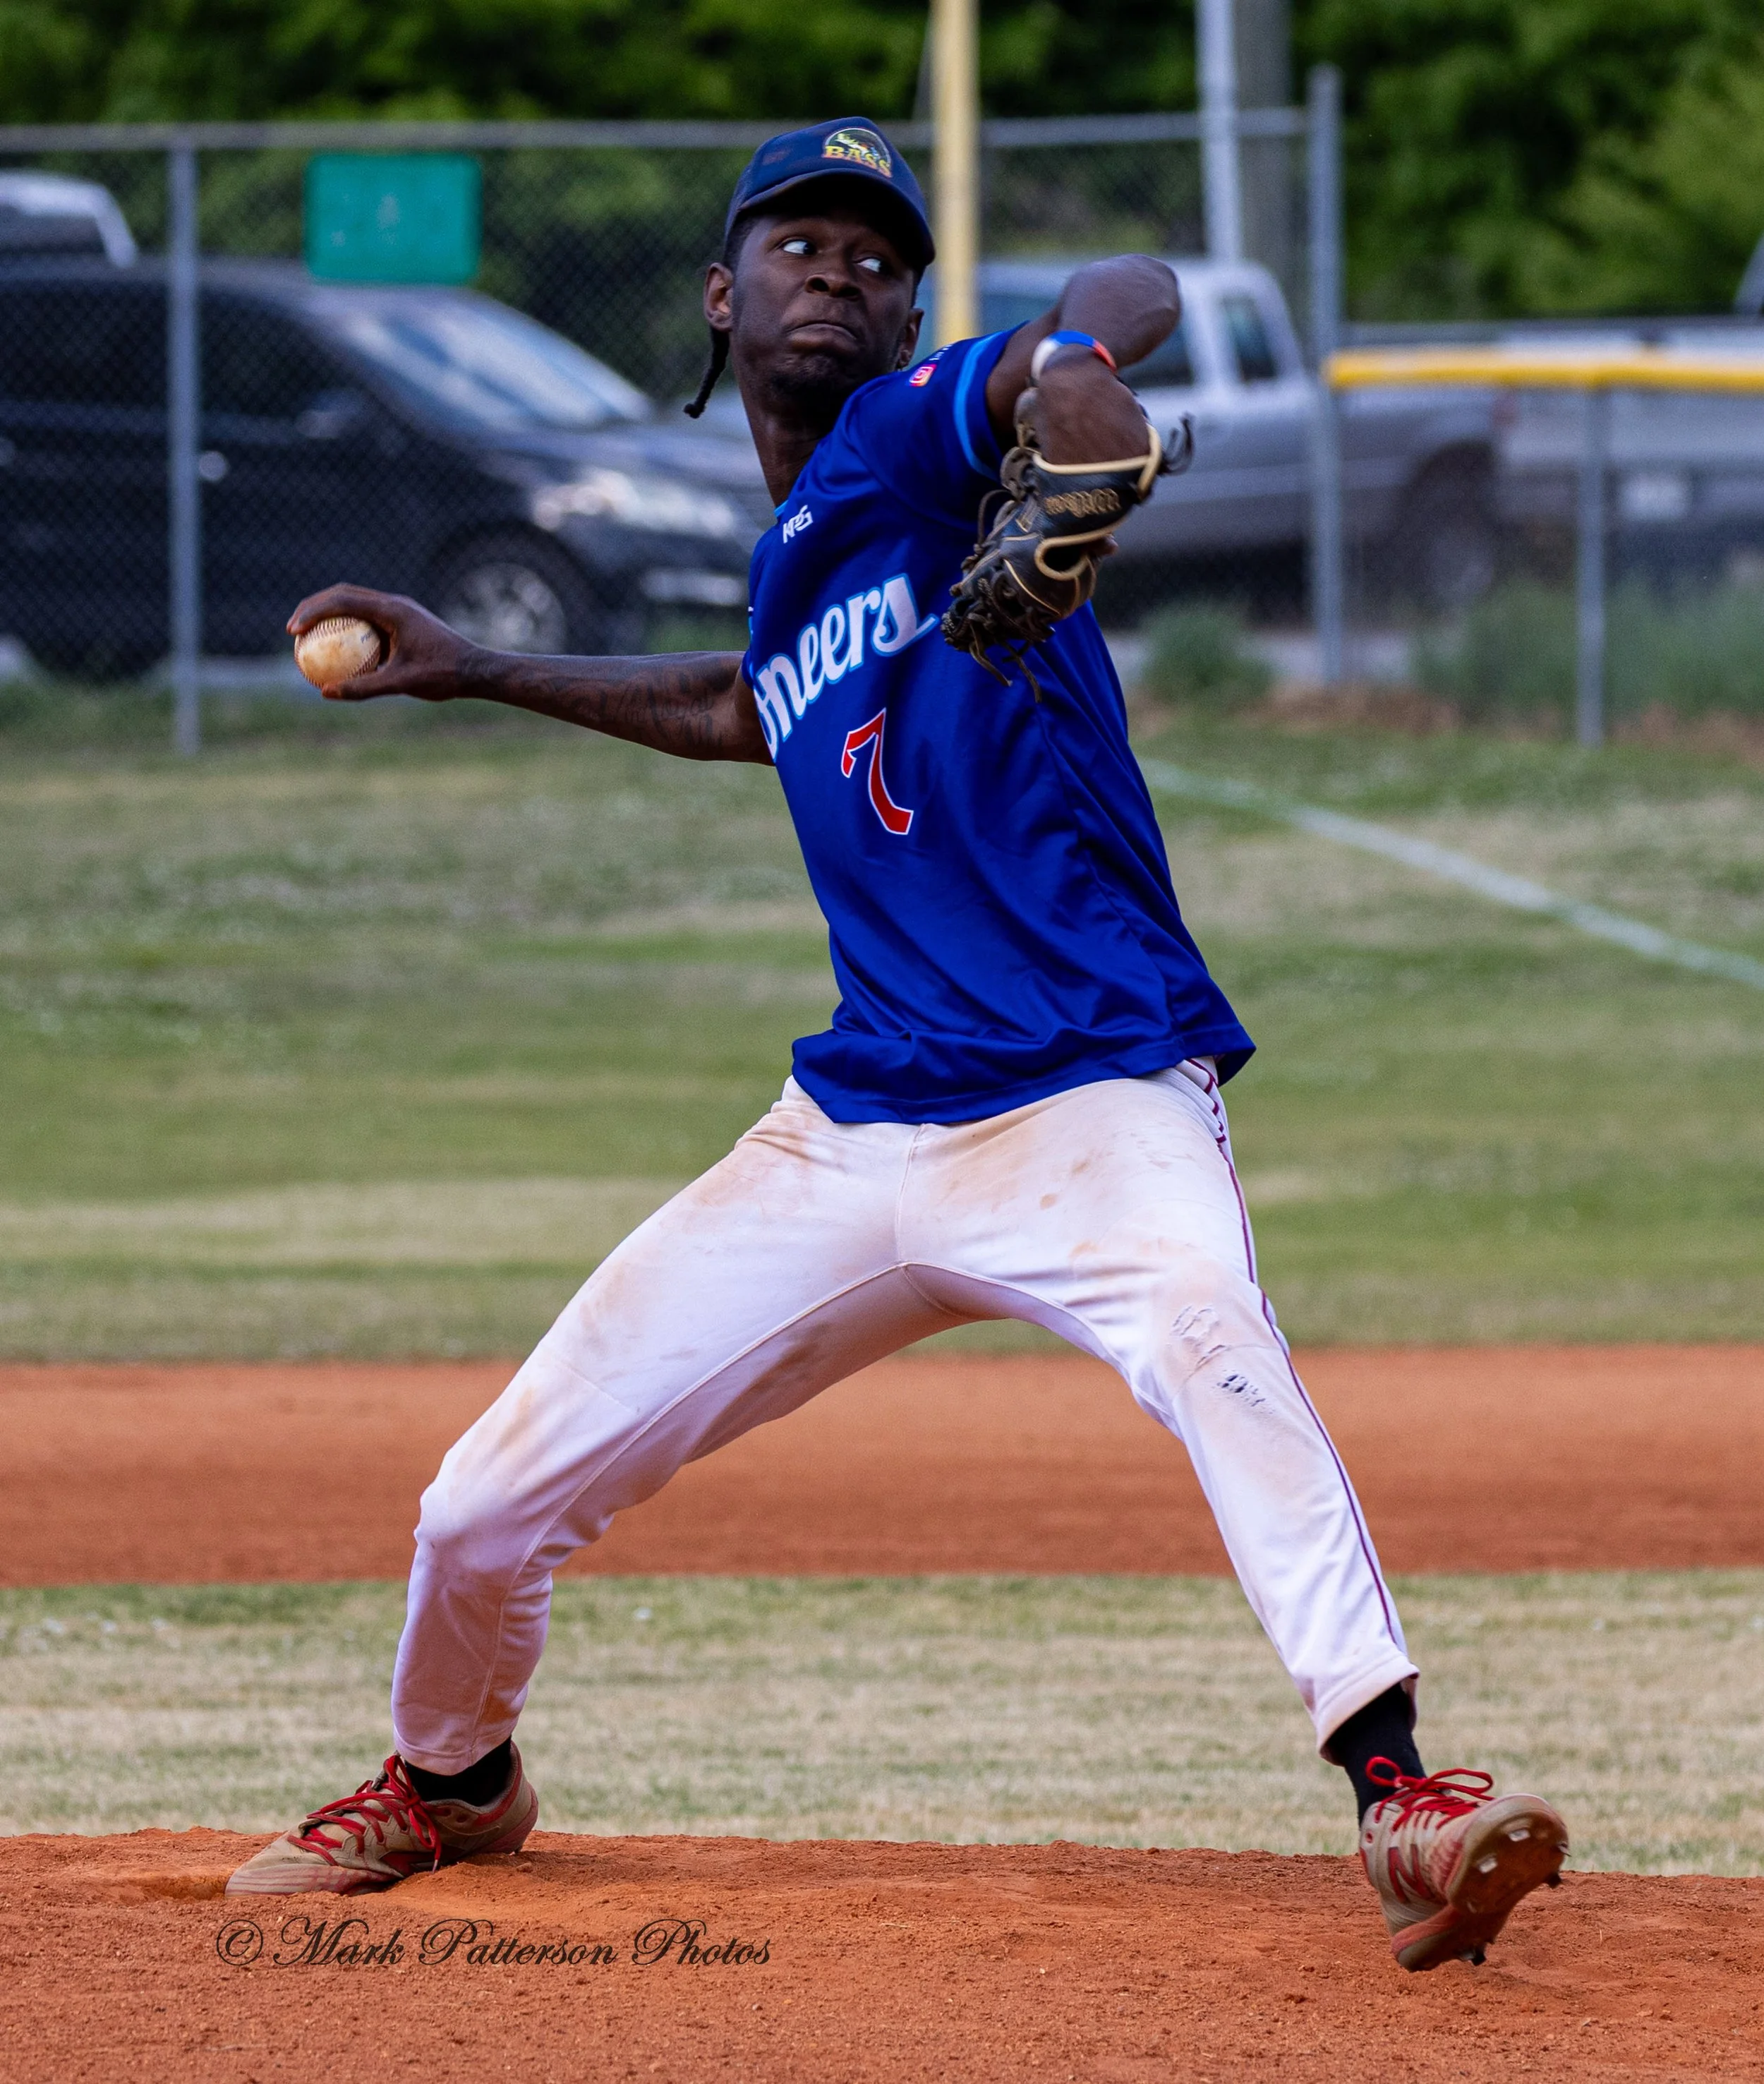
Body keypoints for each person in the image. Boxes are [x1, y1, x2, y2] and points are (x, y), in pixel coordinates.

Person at [227, 117, 1567, 1972]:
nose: (835, 269)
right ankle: (452, 1778)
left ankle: (1399, 1792)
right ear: (718, 294)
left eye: (874, 253)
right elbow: (736, 703)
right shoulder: (795, 560)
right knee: (479, 1502)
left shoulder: (904, 438)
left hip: (1090, 1089)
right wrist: (472, 667)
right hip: (853, 1132)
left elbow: (1106, 317)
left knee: (1204, 1328)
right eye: (795, 241)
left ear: (910, 314)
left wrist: (1078, 408)